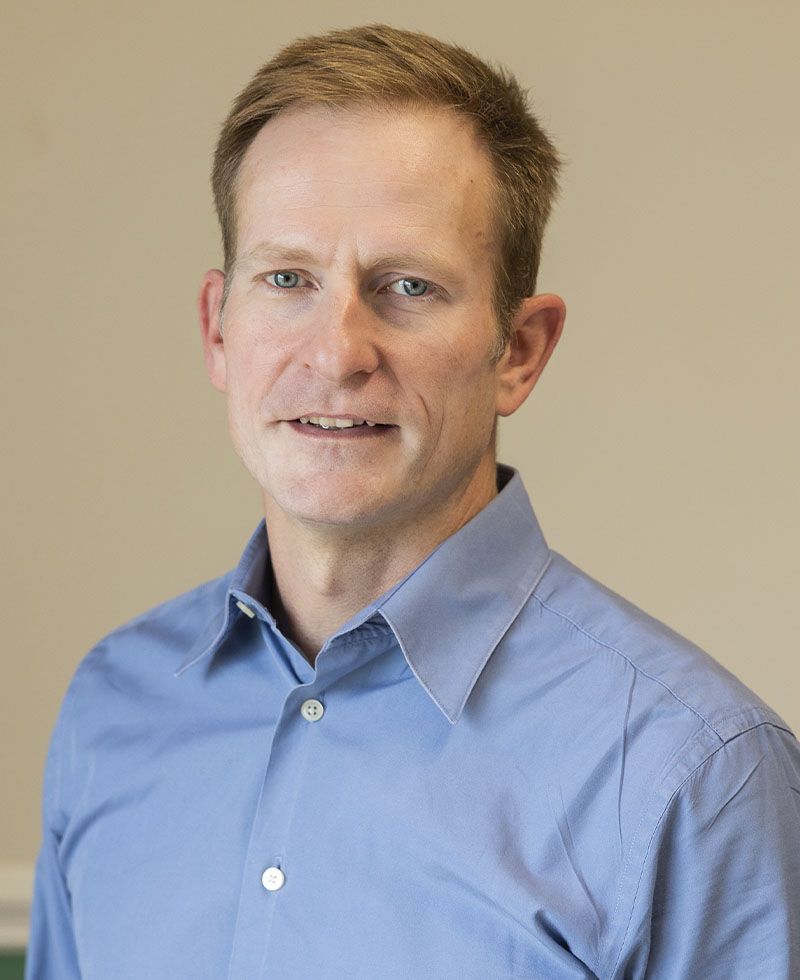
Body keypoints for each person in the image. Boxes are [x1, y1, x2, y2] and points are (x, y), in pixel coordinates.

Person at [26, 24, 799, 980]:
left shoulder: (695, 774)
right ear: (217, 330)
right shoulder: (115, 708)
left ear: (519, 351)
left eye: (408, 286)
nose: (338, 351)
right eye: (287, 279)